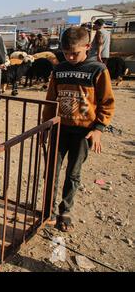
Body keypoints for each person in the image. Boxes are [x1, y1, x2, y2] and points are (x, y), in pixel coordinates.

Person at [42, 27, 115, 232]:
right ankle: (47, 210)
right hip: (59, 128)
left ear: (88, 47)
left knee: (73, 173)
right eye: (67, 53)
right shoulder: (59, 70)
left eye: (75, 52)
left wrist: (99, 128)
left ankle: (65, 210)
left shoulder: (98, 70)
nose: (71, 57)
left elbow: (107, 102)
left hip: (83, 131)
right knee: (51, 171)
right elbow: (50, 101)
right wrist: (45, 126)